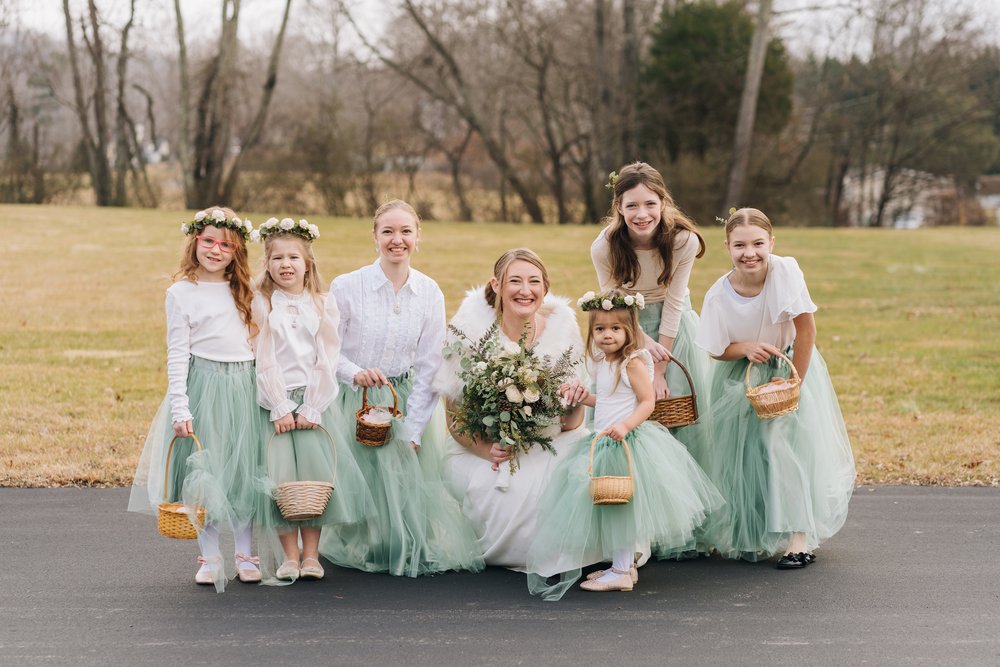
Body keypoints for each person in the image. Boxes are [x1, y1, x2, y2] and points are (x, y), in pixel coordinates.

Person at [318, 200, 483, 577]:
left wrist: (413, 428)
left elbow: (429, 366)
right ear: (374, 236)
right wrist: (355, 373)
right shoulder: (346, 286)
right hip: (354, 397)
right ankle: (359, 540)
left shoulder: (429, 292)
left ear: (418, 237)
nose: (397, 240)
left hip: (405, 398)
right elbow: (327, 352)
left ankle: (400, 541)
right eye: (388, 232)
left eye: (406, 231)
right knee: (362, 479)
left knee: (402, 476)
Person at [525, 291, 724, 599]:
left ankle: (620, 572)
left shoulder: (631, 363)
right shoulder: (602, 362)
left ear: (629, 331)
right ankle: (623, 565)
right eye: (600, 329)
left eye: (615, 329)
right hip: (605, 438)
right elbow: (605, 400)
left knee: (620, 508)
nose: (607, 335)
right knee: (612, 504)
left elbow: (647, 402)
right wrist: (580, 396)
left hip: (626, 443)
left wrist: (626, 425)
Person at [696, 207, 855, 568]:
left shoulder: (785, 271)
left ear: (772, 242)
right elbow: (717, 349)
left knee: (779, 446)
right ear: (727, 246)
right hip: (743, 377)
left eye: (757, 243)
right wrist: (745, 348)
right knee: (743, 452)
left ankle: (798, 538)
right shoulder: (718, 295)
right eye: (739, 245)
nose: (749, 253)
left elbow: (806, 330)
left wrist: (795, 382)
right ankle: (751, 533)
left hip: (788, 369)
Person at [128, 206, 265, 591]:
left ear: (236, 251)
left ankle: (244, 552)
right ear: (195, 242)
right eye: (209, 241)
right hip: (203, 386)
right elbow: (176, 352)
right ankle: (209, 554)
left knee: (243, 472)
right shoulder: (181, 293)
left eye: (226, 244)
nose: (216, 250)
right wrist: (180, 405)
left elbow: (260, 345)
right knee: (206, 473)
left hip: (244, 388)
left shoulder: (246, 291)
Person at [435, 248, 589, 568]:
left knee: (581, 479)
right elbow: (454, 417)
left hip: (551, 441)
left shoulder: (563, 332)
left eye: (534, 282)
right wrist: (485, 449)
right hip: (485, 445)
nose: (525, 290)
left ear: (545, 289)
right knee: (511, 495)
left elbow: (573, 423)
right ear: (496, 285)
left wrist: (569, 403)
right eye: (514, 281)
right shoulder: (470, 332)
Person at [250, 218, 371, 583]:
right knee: (281, 478)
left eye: (293, 258)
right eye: (277, 258)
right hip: (276, 405)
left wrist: (313, 404)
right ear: (267, 264)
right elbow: (263, 355)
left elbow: (328, 356)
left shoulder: (322, 302)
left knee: (315, 478)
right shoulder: (262, 301)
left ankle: (311, 554)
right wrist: (279, 404)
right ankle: (289, 555)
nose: (285, 265)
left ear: (308, 263)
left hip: (314, 403)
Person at [590, 162, 712, 471]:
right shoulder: (605, 247)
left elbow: (673, 303)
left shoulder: (684, 241)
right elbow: (615, 303)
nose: (641, 214)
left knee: (676, 411)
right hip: (627, 327)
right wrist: (640, 346)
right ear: (619, 207)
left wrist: (658, 369)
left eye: (650, 204)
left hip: (675, 328)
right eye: (632, 206)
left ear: (663, 203)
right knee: (626, 410)